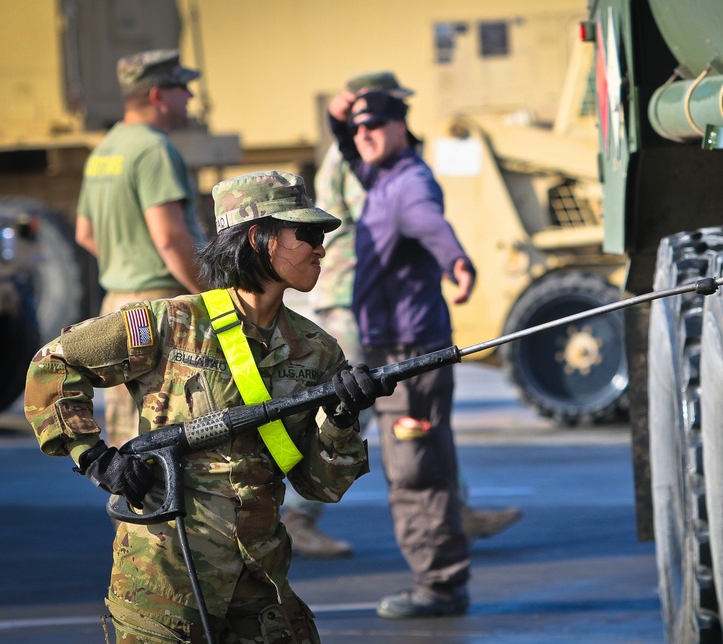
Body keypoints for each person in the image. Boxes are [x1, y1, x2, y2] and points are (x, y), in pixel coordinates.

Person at [25, 170, 389, 642]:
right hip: (163, 581)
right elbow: (54, 362)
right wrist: (93, 457)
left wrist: (342, 419)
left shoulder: (316, 350)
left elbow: (319, 486)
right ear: (260, 237)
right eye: (308, 234)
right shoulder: (170, 323)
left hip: (259, 586)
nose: (321, 248)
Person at [283, 71, 522, 559]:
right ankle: (298, 515)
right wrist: (453, 258)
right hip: (355, 298)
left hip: (371, 297)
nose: (371, 131)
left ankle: (455, 510)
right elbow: (408, 209)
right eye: (367, 118)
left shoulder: (367, 153)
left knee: (412, 414)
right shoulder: (370, 158)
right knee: (358, 405)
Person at [326, 77, 479, 619]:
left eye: (373, 125)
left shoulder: (408, 180)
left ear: (400, 128)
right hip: (395, 350)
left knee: (418, 472)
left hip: (411, 355)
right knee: (413, 467)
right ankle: (439, 580)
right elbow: (352, 150)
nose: (362, 134)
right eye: (357, 126)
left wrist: (454, 259)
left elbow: (426, 222)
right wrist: (336, 120)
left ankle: (439, 586)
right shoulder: (381, 173)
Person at [75, 48, 208, 451]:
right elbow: (169, 237)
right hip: (160, 307)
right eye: (181, 87)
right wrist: (215, 296)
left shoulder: (105, 150)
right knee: (168, 431)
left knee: (127, 439)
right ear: (157, 96)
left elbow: (86, 233)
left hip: (117, 306)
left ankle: (130, 516)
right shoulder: (154, 150)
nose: (189, 96)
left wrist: (128, 265)